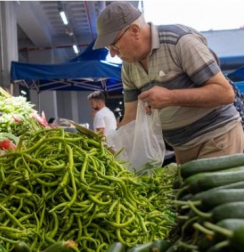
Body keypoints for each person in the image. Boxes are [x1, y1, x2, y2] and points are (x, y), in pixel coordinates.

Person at [93, 2, 244, 164]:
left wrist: (171, 97)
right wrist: (113, 145)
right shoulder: (128, 67)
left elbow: (225, 93)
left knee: (211, 189)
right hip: (181, 148)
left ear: (135, 30)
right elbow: (131, 116)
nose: (113, 54)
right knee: (187, 190)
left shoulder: (179, 42)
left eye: (114, 45)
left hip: (217, 139)